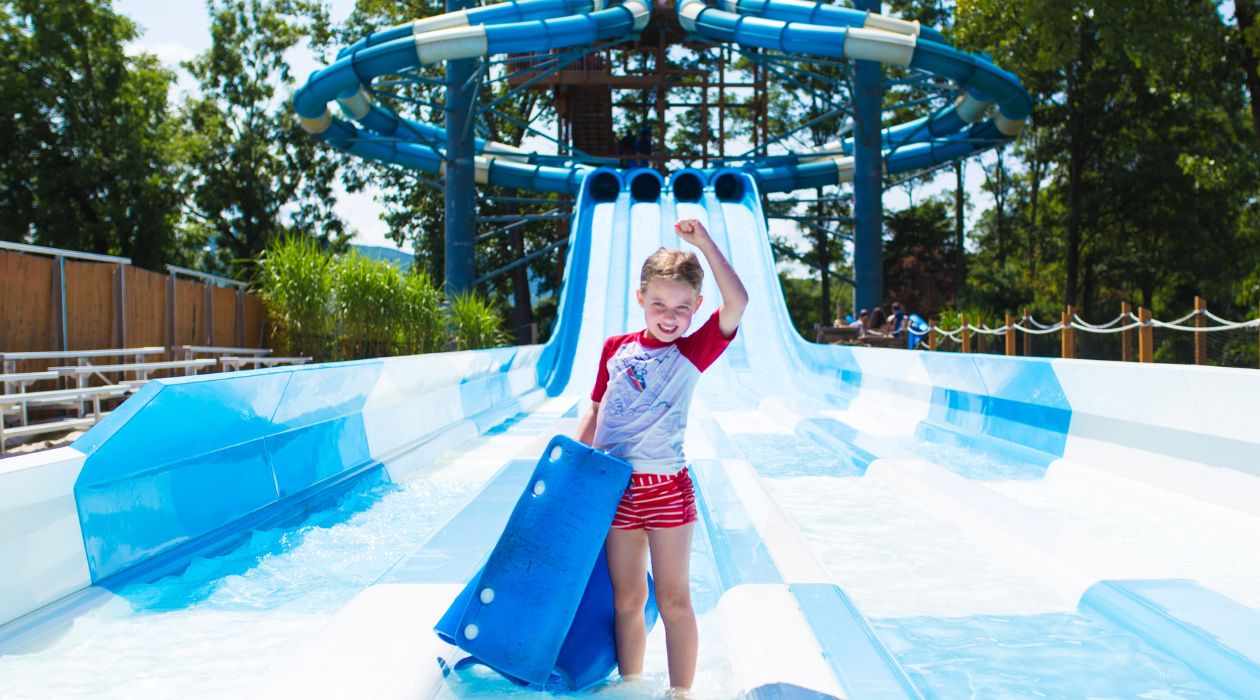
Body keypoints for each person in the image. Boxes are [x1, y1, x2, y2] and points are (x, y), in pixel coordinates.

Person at [575, 219, 748, 694]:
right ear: (640, 300)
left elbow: (738, 302)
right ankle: (632, 684)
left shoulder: (694, 351)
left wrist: (705, 243)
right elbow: (595, 410)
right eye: (659, 305)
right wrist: (574, 469)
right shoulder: (615, 349)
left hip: (666, 492)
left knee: (673, 599)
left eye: (681, 308)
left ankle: (680, 693)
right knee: (627, 599)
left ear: (695, 307)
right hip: (615, 490)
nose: (669, 317)